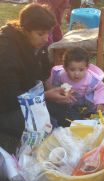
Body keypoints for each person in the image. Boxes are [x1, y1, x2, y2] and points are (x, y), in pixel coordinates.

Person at [0, 4, 74, 149]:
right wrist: (46, 96)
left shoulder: (36, 42)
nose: (46, 39)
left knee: (62, 109)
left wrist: (52, 89)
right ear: (24, 29)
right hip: (6, 108)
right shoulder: (5, 51)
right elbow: (10, 97)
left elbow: (42, 73)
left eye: (48, 33)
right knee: (46, 125)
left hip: (28, 96)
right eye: (41, 34)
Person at [47, 47, 104, 126]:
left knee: (94, 107)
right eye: (72, 69)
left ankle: (93, 116)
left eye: (81, 70)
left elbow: (101, 87)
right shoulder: (61, 75)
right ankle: (75, 116)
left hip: (86, 98)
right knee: (65, 110)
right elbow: (54, 86)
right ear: (65, 68)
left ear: (87, 68)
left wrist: (100, 102)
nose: (77, 73)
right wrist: (61, 92)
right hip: (70, 100)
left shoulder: (91, 79)